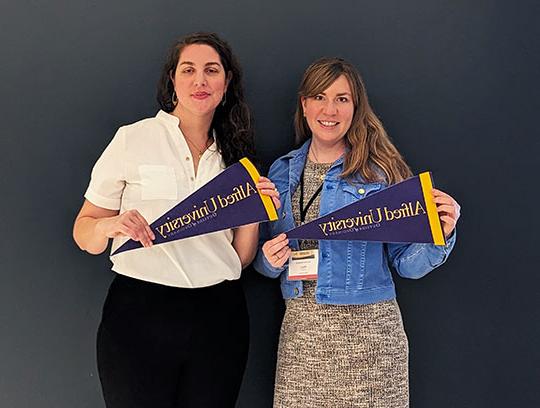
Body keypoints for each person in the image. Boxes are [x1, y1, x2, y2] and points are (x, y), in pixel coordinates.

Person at [73, 32, 279, 408]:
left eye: (211, 71)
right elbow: (84, 231)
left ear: (226, 82)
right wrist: (109, 225)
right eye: (189, 70)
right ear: (173, 79)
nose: (200, 81)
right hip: (139, 314)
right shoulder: (132, 139)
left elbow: (241, 258)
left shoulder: (237, 154)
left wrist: (254, 211)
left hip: (220, 317)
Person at [254, 57, 460, 408]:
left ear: (355, 107)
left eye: (342, 98)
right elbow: (263, 261)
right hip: (302, 342)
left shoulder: (380, 171)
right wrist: (269, 261)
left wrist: (439, 233)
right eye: (319, 97)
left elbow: (407, 265)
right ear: (304, 105)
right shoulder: (280, 171)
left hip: (370, 342)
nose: (329, 109)